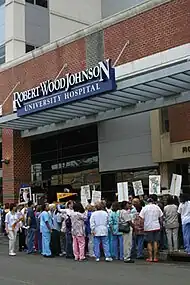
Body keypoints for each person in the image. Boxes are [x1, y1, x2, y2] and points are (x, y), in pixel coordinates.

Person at [139, 198, 163, 262]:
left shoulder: (144, 208)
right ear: (153, 202)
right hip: (156, 226)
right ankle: (155, 257)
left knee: (149, 242)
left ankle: (150, 257)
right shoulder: (157, 207)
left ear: (147, 202)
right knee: (155, 241)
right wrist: (161, 225)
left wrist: (142, 226)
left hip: (148, 227)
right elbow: (161, 217)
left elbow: (141, 218)